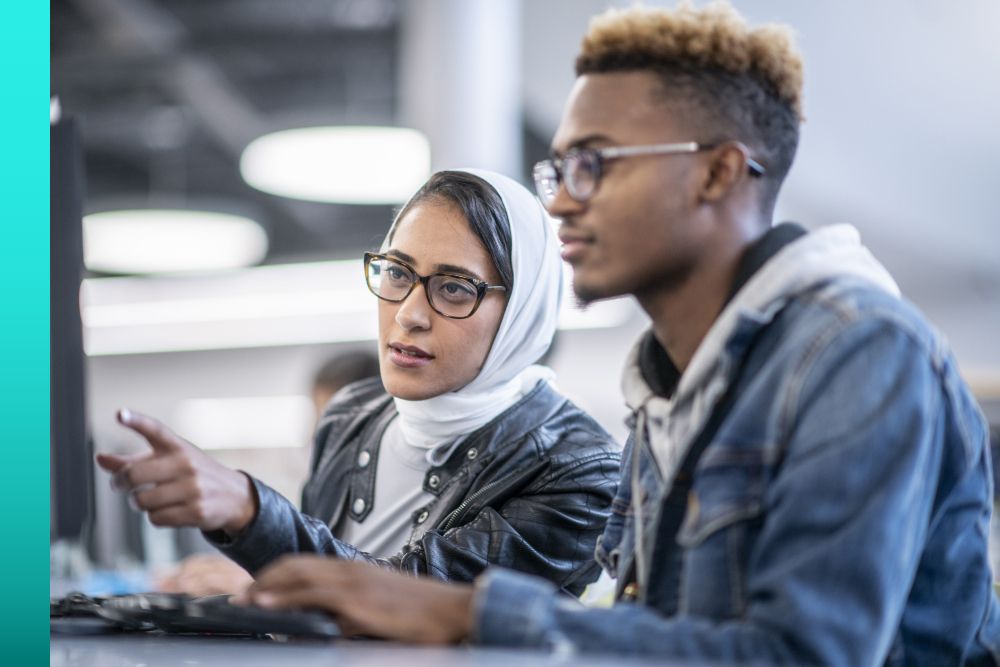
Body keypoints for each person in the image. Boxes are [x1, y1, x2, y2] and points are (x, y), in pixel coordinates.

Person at [235, 4, 1000, 664]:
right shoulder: (668, 387)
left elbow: (802, 655)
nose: (564, 202)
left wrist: (467, 612)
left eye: (596, 163)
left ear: (718, 173)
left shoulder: (859, 352)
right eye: (560, 167)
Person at [97, 169, 621, 594]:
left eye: (455, 288)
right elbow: (318, 618)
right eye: (396, 273)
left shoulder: (580, 471)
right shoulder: (352, 414)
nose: (410, 314)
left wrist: (253, 514)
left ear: (521, 312)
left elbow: (420, 599)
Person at [155, 350, 381, 597]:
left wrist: (258, 586)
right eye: (320, 423)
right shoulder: (324, 493)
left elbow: (367, 595)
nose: (317, 437)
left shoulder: (390, 506)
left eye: (336, 427)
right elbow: (317, 565)